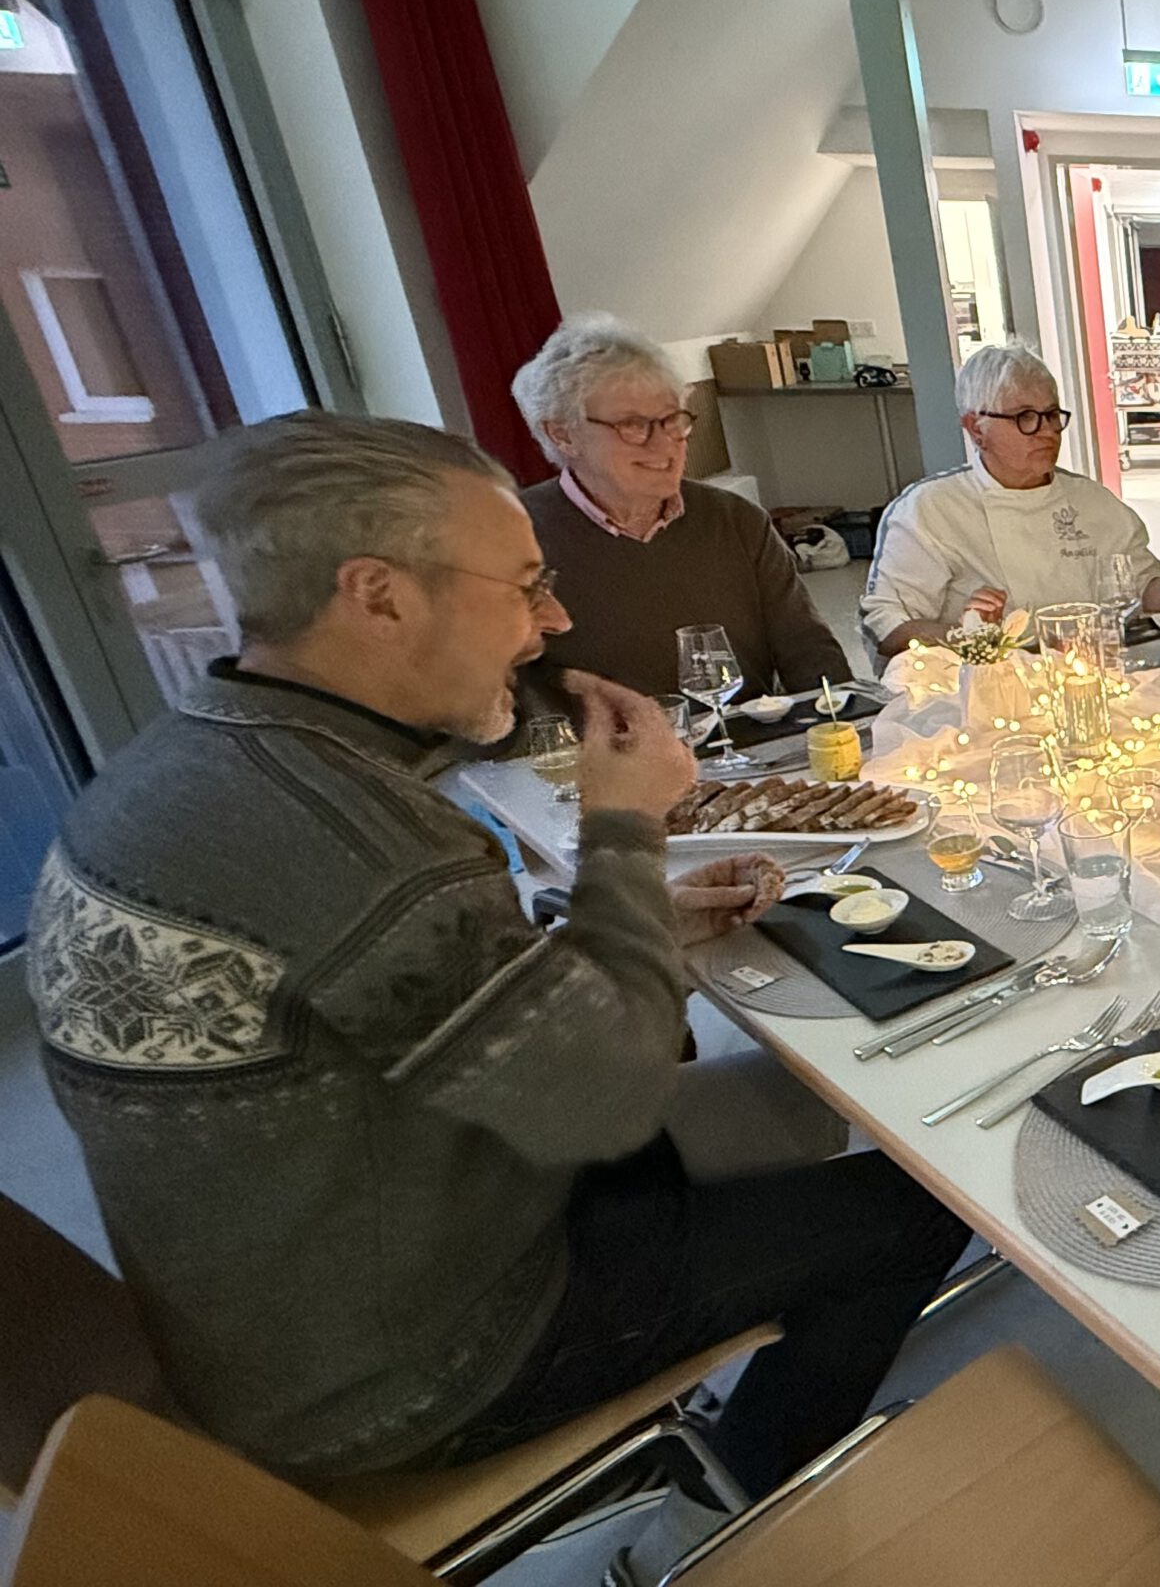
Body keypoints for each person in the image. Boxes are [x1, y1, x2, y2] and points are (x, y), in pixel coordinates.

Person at [24, 412, 970, 1582]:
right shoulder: (364, 842)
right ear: (379, 596)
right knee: (917, 1202)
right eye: (525, 585)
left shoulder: (198, 756)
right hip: (412, 1364)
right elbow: (614, 1093)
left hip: (286, 1291)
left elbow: (398, 1000)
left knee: (772, 1116)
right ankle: (709, 1522)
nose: (554, 620)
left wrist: (635, 919)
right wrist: (625, 832)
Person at [511, 314, 854, 699]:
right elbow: (506, 697)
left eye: (673, 420)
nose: (665, 445)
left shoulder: (735, 521)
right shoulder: (514, 540)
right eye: (633, 425)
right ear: (562, 434)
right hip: (603, 741)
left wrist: (845, 718)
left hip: (745, 735)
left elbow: (808, 652)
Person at [860, 341, 1160, 657]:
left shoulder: (1095, 504)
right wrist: (969, 636)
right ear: (976, 428)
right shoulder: (931, 510)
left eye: (1051, 415)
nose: (1047, 431)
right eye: (1025, 417)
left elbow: (1145, 603)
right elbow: (887, 628)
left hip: (1088, 676)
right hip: (981, 690)